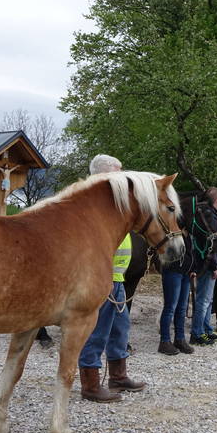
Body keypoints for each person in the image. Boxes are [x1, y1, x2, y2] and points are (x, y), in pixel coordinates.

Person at [78, 154, 146, 403]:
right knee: (96, 332)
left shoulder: (112, 205)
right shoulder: (92, 205)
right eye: (119, 172)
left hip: (117, 279)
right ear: (104, 175)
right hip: (102, 279)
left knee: (120, 329)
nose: (123, 178)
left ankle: (118, 376)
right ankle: (90, 384)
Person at [189, 187, 217, 346]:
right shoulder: (209, 216)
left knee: (208, 300)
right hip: (207, 265)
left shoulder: (209, 215)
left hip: (209, 264)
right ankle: (197, 333)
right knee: (203, 301)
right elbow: (211, 245)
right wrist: (215, 266)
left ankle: (206, 329)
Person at [157, 228, 196, 356]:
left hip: (186, 273)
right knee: (170, 307)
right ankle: (164, 341)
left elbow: (191, 252)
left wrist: (193, 268)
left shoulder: (189, 233)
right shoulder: (173, 231)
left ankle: (179, 339)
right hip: (173, 271)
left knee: (182, 308)